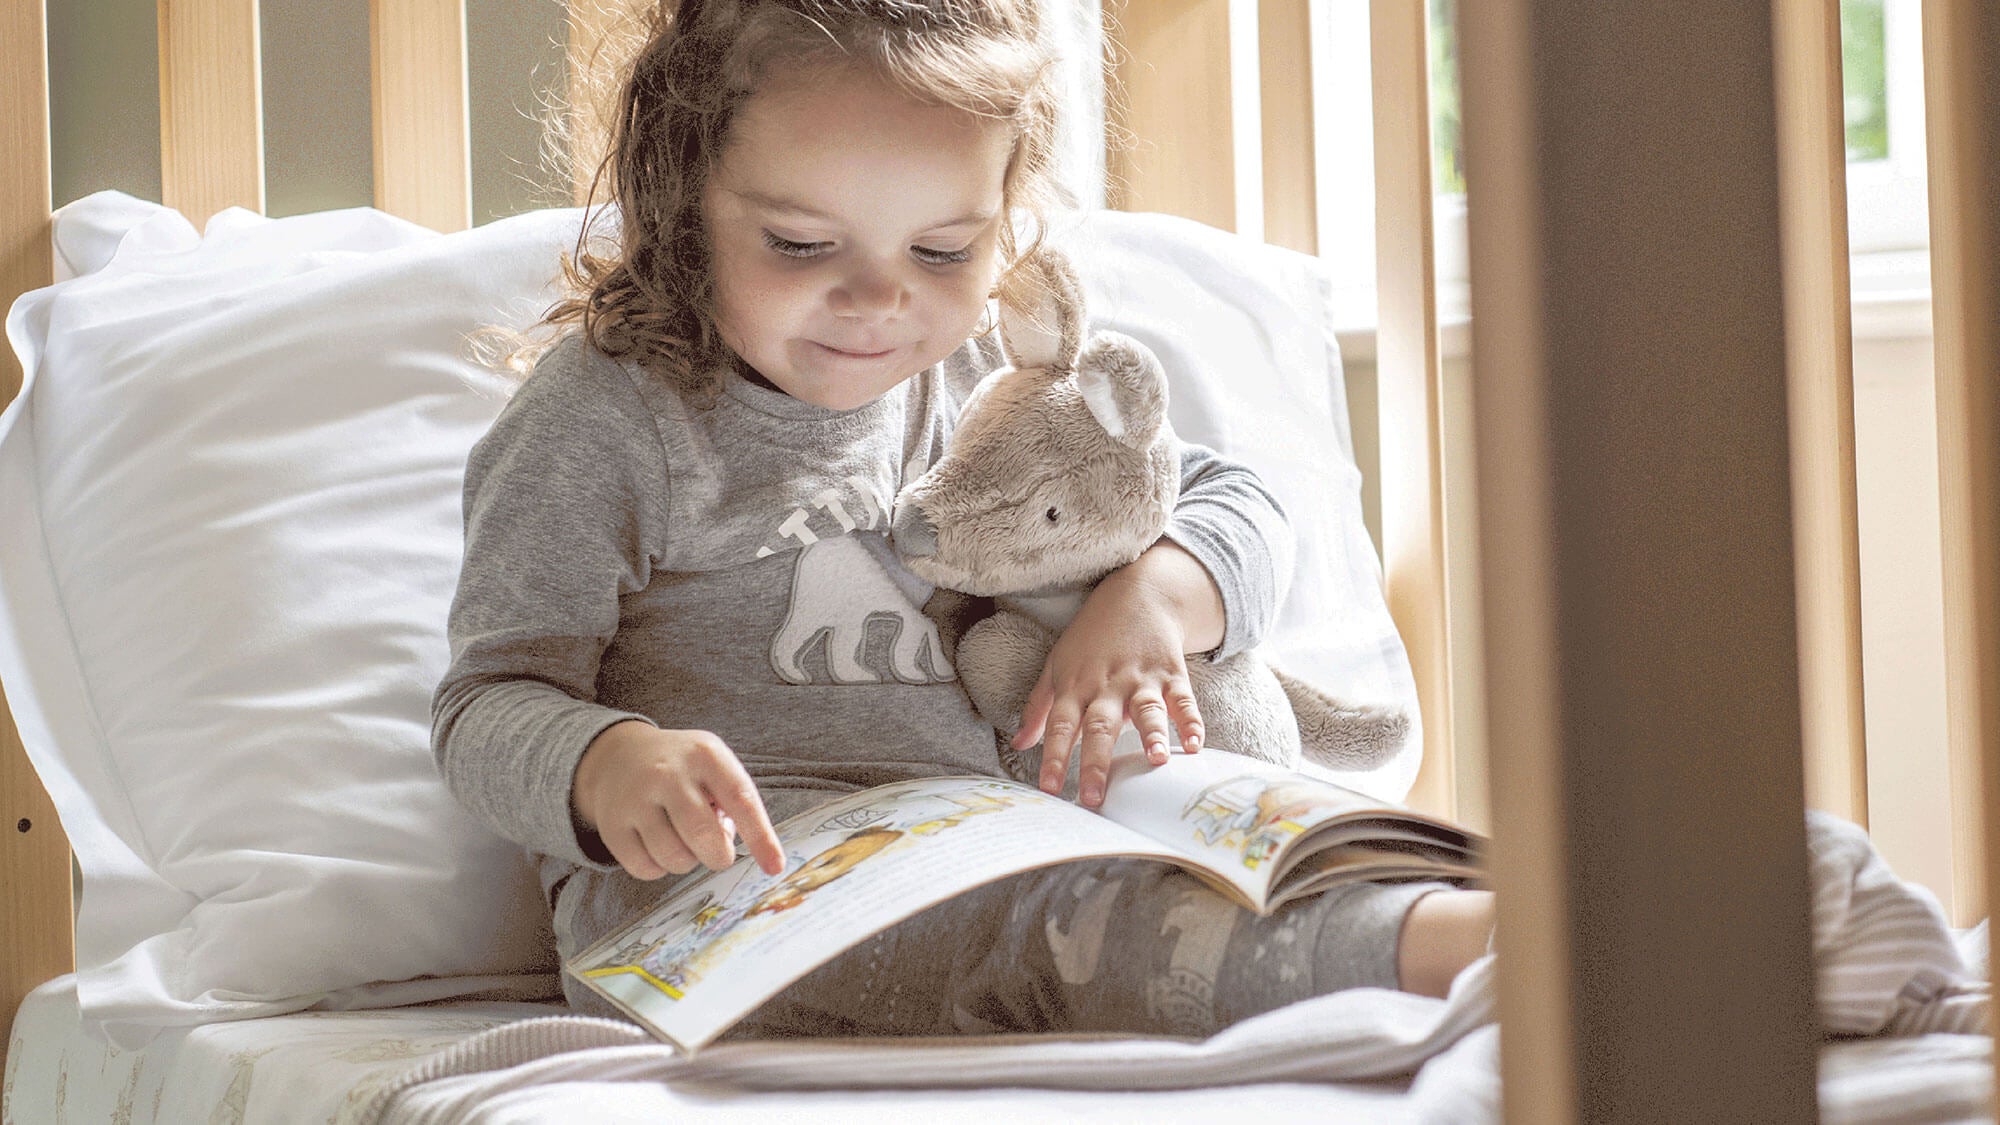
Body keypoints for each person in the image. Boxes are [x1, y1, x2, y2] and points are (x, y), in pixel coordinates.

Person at [431, 0, 1498, 1041]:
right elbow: (490, 697)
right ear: (679, 205)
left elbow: (1237, 504)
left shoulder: (993, 373)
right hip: (736, 903)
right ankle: (1443, 953)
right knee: (1058, 933)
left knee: (1232, 847)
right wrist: (603, 762)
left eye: (940, 252)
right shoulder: (605, 420)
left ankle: (1438, 916)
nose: (878, 300)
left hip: (998, 833)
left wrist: (1152, 599)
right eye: (801, 244)